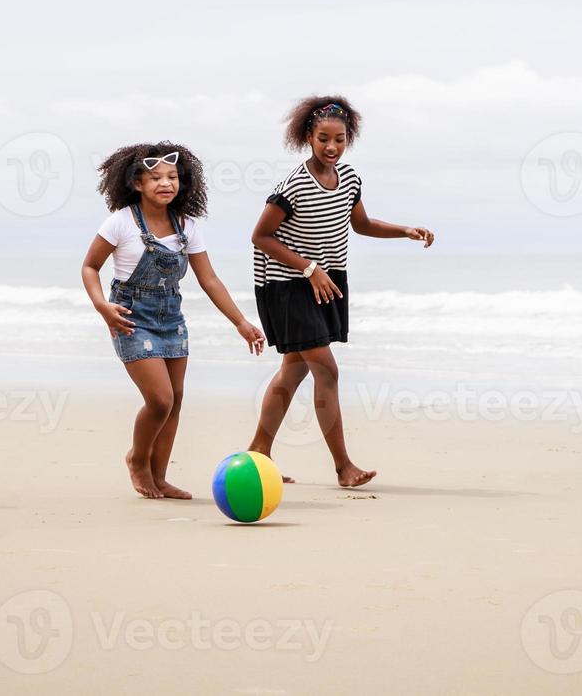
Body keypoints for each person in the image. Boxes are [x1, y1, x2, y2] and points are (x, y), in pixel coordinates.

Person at [247, 96, 434, 487]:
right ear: (307, 138)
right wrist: (309, 268)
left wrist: (403, 230)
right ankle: (343, 467)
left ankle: (257, 454)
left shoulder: (349, 178)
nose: (331, 147)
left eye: (339, 139)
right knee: (327, 370)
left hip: (324, 281)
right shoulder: (293, 185)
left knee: (293, 372)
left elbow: (361, 224)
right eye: (323, 139)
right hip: (286, 284)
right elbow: (261, 236)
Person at [81, 143, 266, 499]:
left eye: (172, 177)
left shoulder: (187, 227)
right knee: (160, 400)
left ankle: (160, 476)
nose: (166, 183)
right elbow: (90, 267)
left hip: (171, 318)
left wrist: (241, 322)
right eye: (156, 178)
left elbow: (209, 280)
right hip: (131, 318)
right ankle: (138, 460)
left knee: (176, 400)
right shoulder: (120, 222)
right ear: (137, 183)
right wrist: (102, 305)